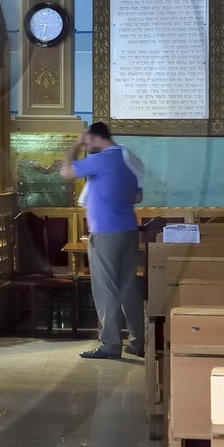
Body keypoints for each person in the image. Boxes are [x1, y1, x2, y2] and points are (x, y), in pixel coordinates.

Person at [61, 122, 145, 359]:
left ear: (96, 138)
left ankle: (110, 344)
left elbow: (66, 171)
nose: (87, 146)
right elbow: (138, 196)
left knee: (106, 288)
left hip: (106, 232)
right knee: (129, 286)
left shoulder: (103, 159)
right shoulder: (129, 160)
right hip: (129, 230)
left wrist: (76, 144)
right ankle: (138, 343)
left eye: (89, 142)